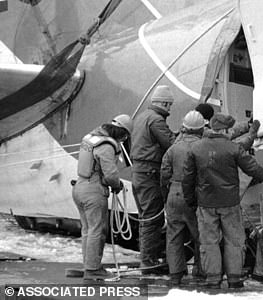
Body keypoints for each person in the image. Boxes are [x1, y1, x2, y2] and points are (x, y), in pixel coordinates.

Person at [183, 113, 263, 289]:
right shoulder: (233, 148)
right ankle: (234, 278)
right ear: (223, 130)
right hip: (230, 203)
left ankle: (213, 278)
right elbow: (251, 166)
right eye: (229, 128)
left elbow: (188, 178)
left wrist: (191, 200)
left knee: (209, 241)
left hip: (206, 203)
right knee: (234, 240)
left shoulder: (196, 149)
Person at [72, 114, 133, 280]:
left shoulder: (91, 138)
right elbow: (111, 175)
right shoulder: (106, 146)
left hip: (79, 187)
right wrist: (117, 185)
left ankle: (88, 266)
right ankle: (92, 269)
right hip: (93, 191)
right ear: (123, 134)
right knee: (97, 230)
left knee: (87, 230)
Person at [130, 85, 177, 273]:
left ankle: (147, 257)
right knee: (152, 218)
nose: (170, 109)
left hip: (138, 173)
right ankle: (149, 262)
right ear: (164, 103)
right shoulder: (156, 120)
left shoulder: (141, 117)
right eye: (170, 105)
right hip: (150, 173)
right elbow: (171, 145)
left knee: (145, 217)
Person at [160, 111, 206, 285]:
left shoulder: (173, 149)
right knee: (201, 236)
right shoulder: (203, 147)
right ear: (201, 129)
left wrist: (166, 197)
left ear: (184, 127)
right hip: (195, 195)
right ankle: (201, 272)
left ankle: (175, 275)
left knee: (173, 237)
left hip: (174, 193)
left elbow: (164, 175)